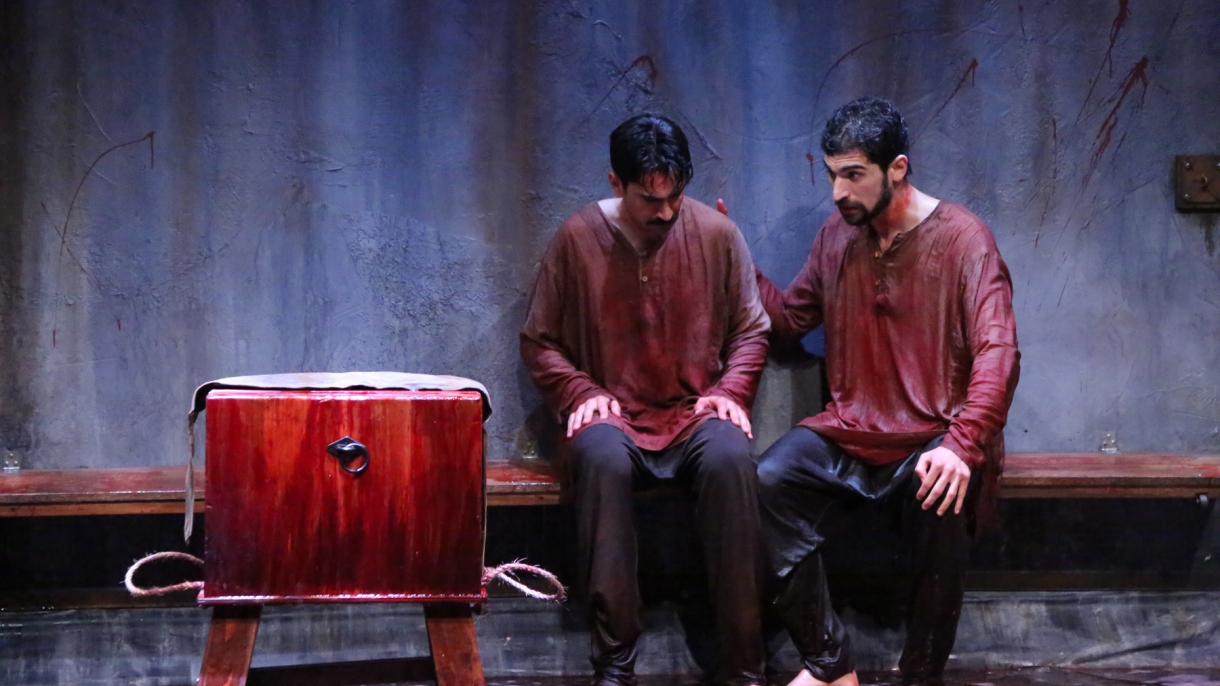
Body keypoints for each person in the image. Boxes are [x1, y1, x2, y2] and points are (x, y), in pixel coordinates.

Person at [749, 97, 1020, 686]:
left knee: (943, 487)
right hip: (853, 427)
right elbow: (791, 319)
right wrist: (733, 262)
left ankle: (921, 674)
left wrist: (963, 443)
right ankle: (830, 665)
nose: (839, 192)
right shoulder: (837, 236)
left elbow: (999, 351)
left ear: (897, 168)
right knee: (767, 480)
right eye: (832, 175)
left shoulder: (965, 240)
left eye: (853, 175)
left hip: (935, 434)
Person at [520, 114, 770, 686]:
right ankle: (615, 662)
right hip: (613, 412)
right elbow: (539, 340)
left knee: (731, 458)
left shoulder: (716, 234)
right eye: (649, 199)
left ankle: (744, 665)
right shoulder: (578, 238)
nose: (665, 211)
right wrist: (580, 391)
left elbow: (752, 330)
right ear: (616, 183)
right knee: (600, 458)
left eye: (675, 196)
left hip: (694, 410)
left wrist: (730, 392)